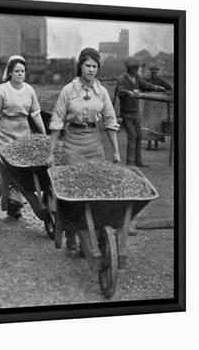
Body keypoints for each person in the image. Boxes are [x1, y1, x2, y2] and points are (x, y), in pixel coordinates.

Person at [47, 47, 121, 251]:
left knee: (96, 190)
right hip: (73, 143)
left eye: (94, 66)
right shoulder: (68, 91)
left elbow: (110, 121)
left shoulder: (102, 91)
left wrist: (115, 151)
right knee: (74, 192)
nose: (91, 70)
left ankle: (93, 237)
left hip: (94, 143)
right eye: (87, 65)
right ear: (80, 66)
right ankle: (71, 234)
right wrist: (51, 152)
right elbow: (57, 122)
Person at [0, 55, 47, 219]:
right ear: (10, 73)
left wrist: (44, 134)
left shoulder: (29, 90)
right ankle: (14, 202)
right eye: (17, 71)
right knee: (9, 169)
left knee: (24, 168)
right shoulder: (2, 90)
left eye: (23, 71)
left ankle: (15, 201)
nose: (20, 74)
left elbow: (35, 114)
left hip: (23, 132)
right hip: (6, 132)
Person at [113, 57, 167, 167]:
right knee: (132, 135)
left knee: (139, 135)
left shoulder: (137, 77)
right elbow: (120, 91)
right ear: (129, 68)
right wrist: (129, 92)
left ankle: (139, 161)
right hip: (126, 112)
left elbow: (146, 85)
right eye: (135, 68)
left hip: (136, 111)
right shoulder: (122, 79)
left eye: (137, 68)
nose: (137, 70)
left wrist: (158, 87)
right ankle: (130, 162)